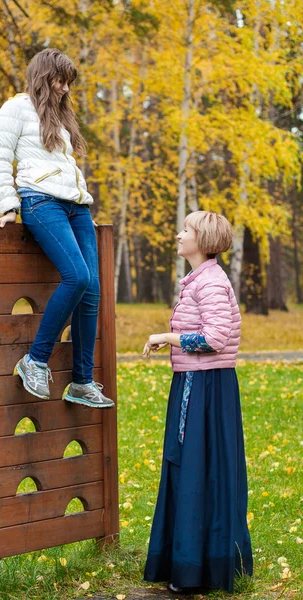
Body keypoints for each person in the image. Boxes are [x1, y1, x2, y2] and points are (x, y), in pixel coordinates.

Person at [0, 48, 114, 409]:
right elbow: (0, 157)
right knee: (76, 276)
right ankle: (35, 360)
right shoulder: (16, 107)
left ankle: (82, 381)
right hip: (40, 201)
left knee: (91, 291)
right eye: (60, 80)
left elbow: (65, 165)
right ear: (44, 76)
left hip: (76, 206)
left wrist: (80, 197)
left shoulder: (59, 115)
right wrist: (9, 205)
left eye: (68, 83)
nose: (64, 88)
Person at [142, 211, 253, 593]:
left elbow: (216, 336)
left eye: (185, 230)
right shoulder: (199, 280)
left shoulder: (210, 282)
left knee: (197, 470)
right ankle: (189, 562)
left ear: (202, 241)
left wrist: (166, 336)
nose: (178, 235)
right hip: (195, 382)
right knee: (190, 469)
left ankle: (197, 569)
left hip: (206, 388)